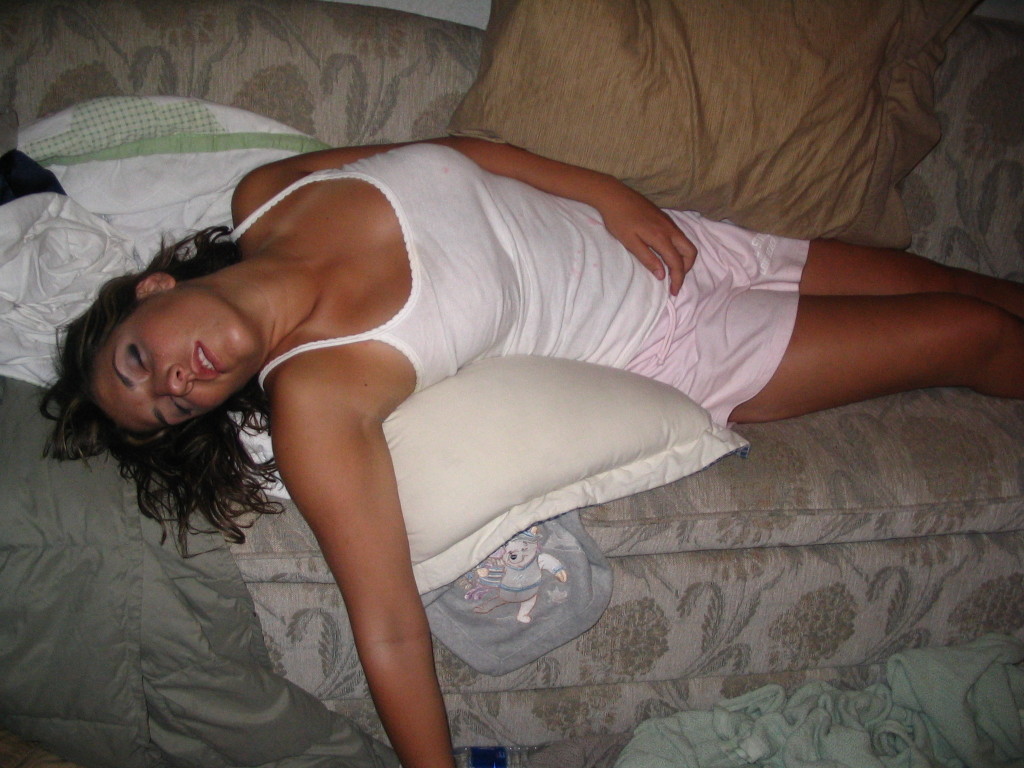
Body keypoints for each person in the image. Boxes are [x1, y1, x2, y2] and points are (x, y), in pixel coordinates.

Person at [42, 137, 1024, 768]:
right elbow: (388, 626)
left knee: (966, 285)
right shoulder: (318, 400)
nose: (172, 386)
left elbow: (464, 151)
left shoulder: (271, 192)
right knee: (971, 335)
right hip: (682, 343)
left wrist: (612, 195)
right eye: (164, 410)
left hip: (675, 242)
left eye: (138, 362)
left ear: (154, 292)